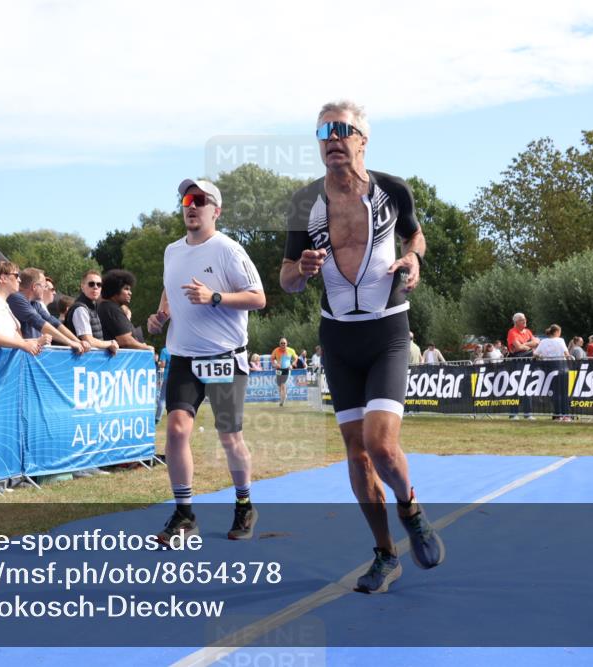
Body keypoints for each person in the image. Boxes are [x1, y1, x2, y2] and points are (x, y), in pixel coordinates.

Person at [280, 100, 444, 594]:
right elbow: (285, 280)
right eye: (323, 131)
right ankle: (385, 554)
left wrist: (413, 262)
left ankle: (411, 509)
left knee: (380, 443)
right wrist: (301, 272)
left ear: (362, 139)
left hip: (388, 331)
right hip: (337, 338)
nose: (331, 138)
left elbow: (417, 240)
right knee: (356, 454)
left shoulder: (392, 189)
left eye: (341, 129)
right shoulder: (302, 204)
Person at [146, 177, 265, 546]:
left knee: (230, 437)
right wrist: (160, 316)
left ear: (217, 210)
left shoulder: (229, 250)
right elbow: (171, 288)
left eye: (200, 199)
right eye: (186, 199)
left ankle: (244, 504)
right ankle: (184, 514)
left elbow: (258, 298)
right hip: (183, 355)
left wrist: (214, 297)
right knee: (177, 429)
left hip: (225, 357)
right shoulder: (171, 251)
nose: (191, 205)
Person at [7, 268, 88, 353]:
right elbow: (39, 322)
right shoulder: (16, 298)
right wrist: (70, 342)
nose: (45, 289)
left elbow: (54, 322)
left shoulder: (34, 303)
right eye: (44, 286)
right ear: (34, 287)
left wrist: (78, 341)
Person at [65, 269, 120, 353]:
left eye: (99, 284)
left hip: (91, 361)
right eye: (91, 284)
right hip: (80, 361)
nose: (95, 287)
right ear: (82, 286)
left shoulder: (93, 306)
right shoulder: (80, 309)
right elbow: (89, 341)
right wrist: (110, 343)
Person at [98, 269, 153, 351]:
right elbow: (125, 340)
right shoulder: (111, 308)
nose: (130, 293)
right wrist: (147, 348)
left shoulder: (109, 307)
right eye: (126, 289)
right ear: (115, 290)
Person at [534, 324, 572, 421]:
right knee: (564, 392)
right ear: (556, 332)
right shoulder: (560, 340)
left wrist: (543, 357)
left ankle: (557, 415)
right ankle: (565, 415)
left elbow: (535, 354)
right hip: (561, 367)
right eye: (559, 332)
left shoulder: (543, 341)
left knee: (554, 393)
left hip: (548, 369)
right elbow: (567, 354)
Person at [270, 338, 298, 406]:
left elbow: (296, 358)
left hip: (287, 369)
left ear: (286, 343)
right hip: (279, 370)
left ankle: (282, 401)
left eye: (284, 343)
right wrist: (274, 364)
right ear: (279, 344)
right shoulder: (276, 350)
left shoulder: (291, 350)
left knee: (283, 384)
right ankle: (283, 397)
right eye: (281, 343)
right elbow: (272, 359)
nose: (283, 344)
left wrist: (292, 364)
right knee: (279, 386)